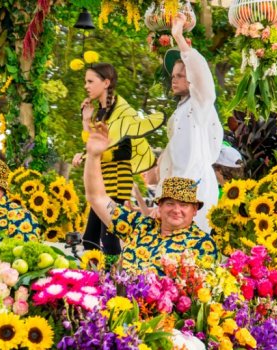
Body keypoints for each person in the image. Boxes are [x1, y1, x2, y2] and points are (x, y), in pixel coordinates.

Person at [84, 122, 217, 275]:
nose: (176, 209)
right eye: (170, 203)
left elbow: (198, 294)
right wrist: (93, 156)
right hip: (118, 297)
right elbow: (97, 197)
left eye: (183, 205)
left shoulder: (203, 244)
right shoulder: (139, 226)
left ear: (194, 210)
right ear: (159, 206)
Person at [71, 62, 164, 255]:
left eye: (90, 81)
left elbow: (120, 151)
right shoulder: (100, 112)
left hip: (115, 185)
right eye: (85, 81)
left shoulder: (123, 113)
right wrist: (86, 120)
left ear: (106, 82)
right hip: (101, 183)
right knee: (90, 239)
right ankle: (97, 279)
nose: (86, 86)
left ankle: (115, 282)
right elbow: (93, 143)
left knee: (109, 239)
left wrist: (93, 155)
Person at [156, 13, 223, 232]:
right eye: (173, 75)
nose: (174, 79)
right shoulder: (181, 110)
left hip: (196, 191)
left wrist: (178, 37)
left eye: (181, 75)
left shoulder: (200, 104)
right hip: (176, 193)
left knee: (193, 252)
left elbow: (203, 77)